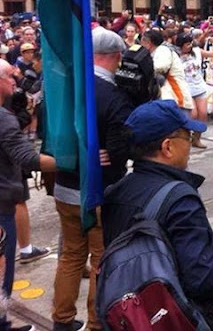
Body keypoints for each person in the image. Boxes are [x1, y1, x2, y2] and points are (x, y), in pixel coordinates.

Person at [102, 100, 213, 330]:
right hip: (175, 317)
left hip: (131, 315)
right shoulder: (181, 200)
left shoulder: (116, 192)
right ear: (167, 147)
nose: (190, 145)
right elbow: (202, 282)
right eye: (187, 138)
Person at [52, 27, 134, 331]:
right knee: (101, 259)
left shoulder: (68, 87)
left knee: (71, 255)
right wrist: (93, 154)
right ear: (114, 57)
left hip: (65, 187)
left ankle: (62, 318)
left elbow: (52, 131)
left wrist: (76, 152)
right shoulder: (114, 96)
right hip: (98, 191)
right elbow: (119, 149)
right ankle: (97, 323)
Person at [0, 59, 57, 331]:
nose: (15, 81)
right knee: (2, 277)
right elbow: (27, 157)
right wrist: (70, 162)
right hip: (1, 208)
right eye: (10, 76)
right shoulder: (2, 118)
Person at [141, 29, 194, 113]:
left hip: (176, 98)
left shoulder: (163, 50)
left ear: (148, 43)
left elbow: (161, 67)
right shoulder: (153, 53)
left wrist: (142, 67)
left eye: (142, 41)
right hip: (167, 100)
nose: (141, 44)